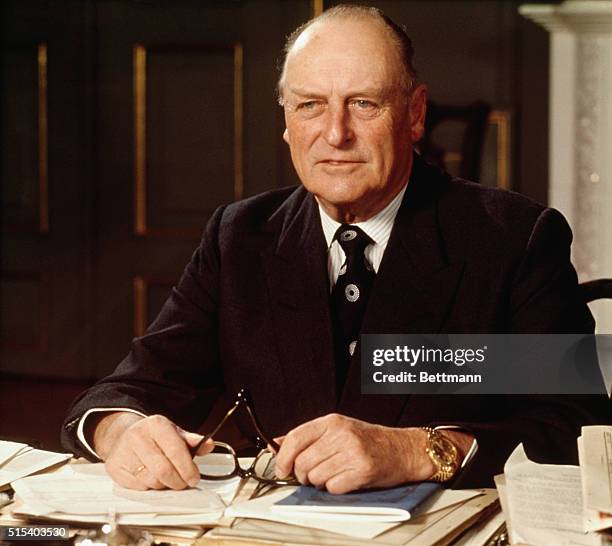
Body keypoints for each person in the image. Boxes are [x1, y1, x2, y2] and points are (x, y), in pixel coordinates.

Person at [62, 5, 605, 493]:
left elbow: (573, 428)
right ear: (286, 121)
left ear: (415, 114)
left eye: (363, 104)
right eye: (310, 106)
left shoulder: (513, 238)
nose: (335, 133)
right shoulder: (240, 236)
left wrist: (416, 450)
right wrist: (121, 430)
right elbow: (132, 387)